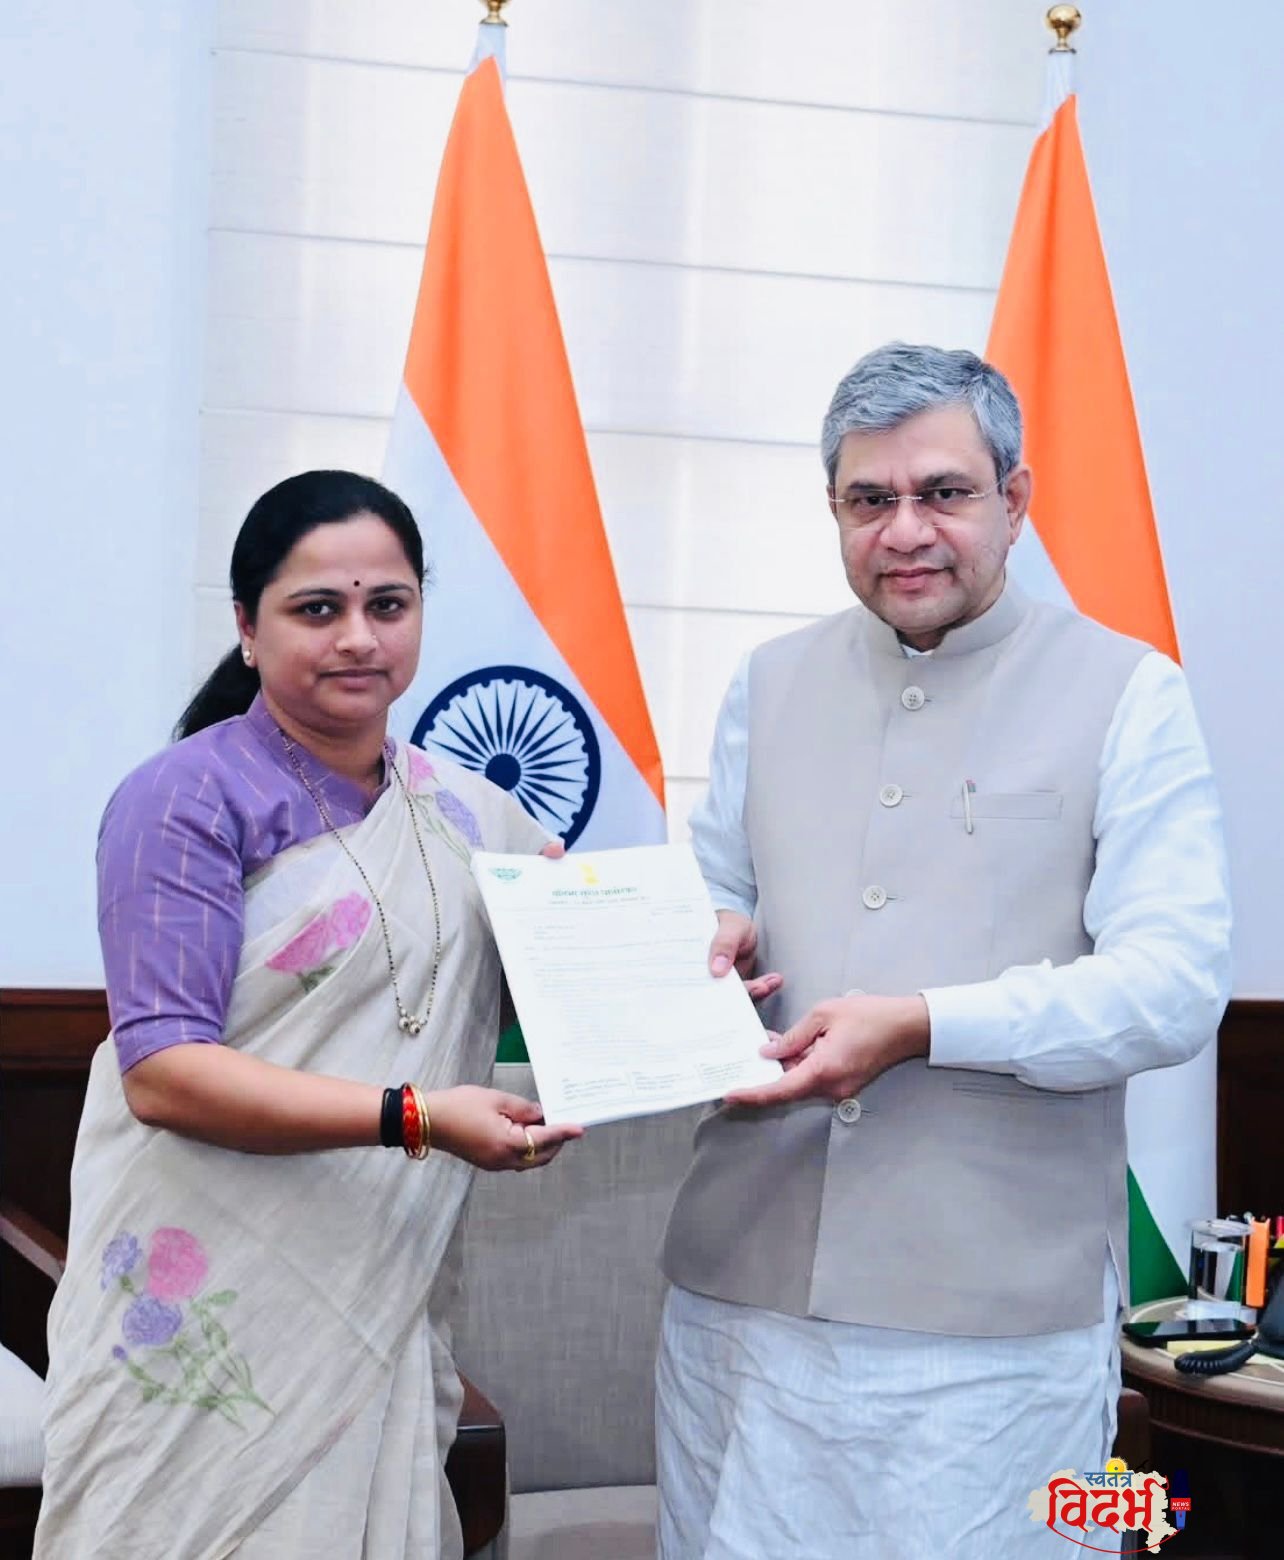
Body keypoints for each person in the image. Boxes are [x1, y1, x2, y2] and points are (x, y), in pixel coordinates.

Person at [656, 343, 1232, 1558]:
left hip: (992, 1323)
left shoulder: (1130, 691)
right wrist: (708, 938)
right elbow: (717, 883)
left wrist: (926, 1023)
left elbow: (1173, 988)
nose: (906, 530)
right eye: (870, 499)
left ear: (1014, 500)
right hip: (741, 1287)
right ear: (833, 511)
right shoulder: (768, 682)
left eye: (944, 493)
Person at [35, 471, 582, 1559]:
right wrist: (416, 1117)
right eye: (317, 608)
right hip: (210, 1301)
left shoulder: (471, 814)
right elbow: (164, 1073)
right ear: (249, 628)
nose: (358, 638)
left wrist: (698, 948)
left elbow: (571, 979)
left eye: (389, 604)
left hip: (379, 1288)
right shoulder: (184, 798)